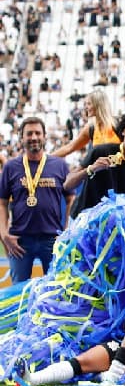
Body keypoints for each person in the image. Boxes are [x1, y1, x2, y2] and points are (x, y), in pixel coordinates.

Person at [0, 117, 74, 284]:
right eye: (29, 134)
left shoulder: (59, 165)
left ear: (44, 136)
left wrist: (67, 231)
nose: (34, 137)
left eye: (37, 133)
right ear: (21, 138)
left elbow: (71, 199)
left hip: (52, 239)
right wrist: (4, 234)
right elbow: (2, 203)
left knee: (55, 289)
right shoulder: (11, 167)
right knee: (19, 292)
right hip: (20, 241)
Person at [63, 110, 125, 215]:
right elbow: (67, 184)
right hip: (83, 219)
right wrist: (91, 169)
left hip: (115, 224)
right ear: (123, 131)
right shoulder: (100, 151)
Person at [52, 90, 119, 158]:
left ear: (98, 105)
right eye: (85, 104)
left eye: (89, 104)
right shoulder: (90, 128)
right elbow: (70, 148)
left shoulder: (118, 123)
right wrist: (47, 158)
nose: (86, 107)